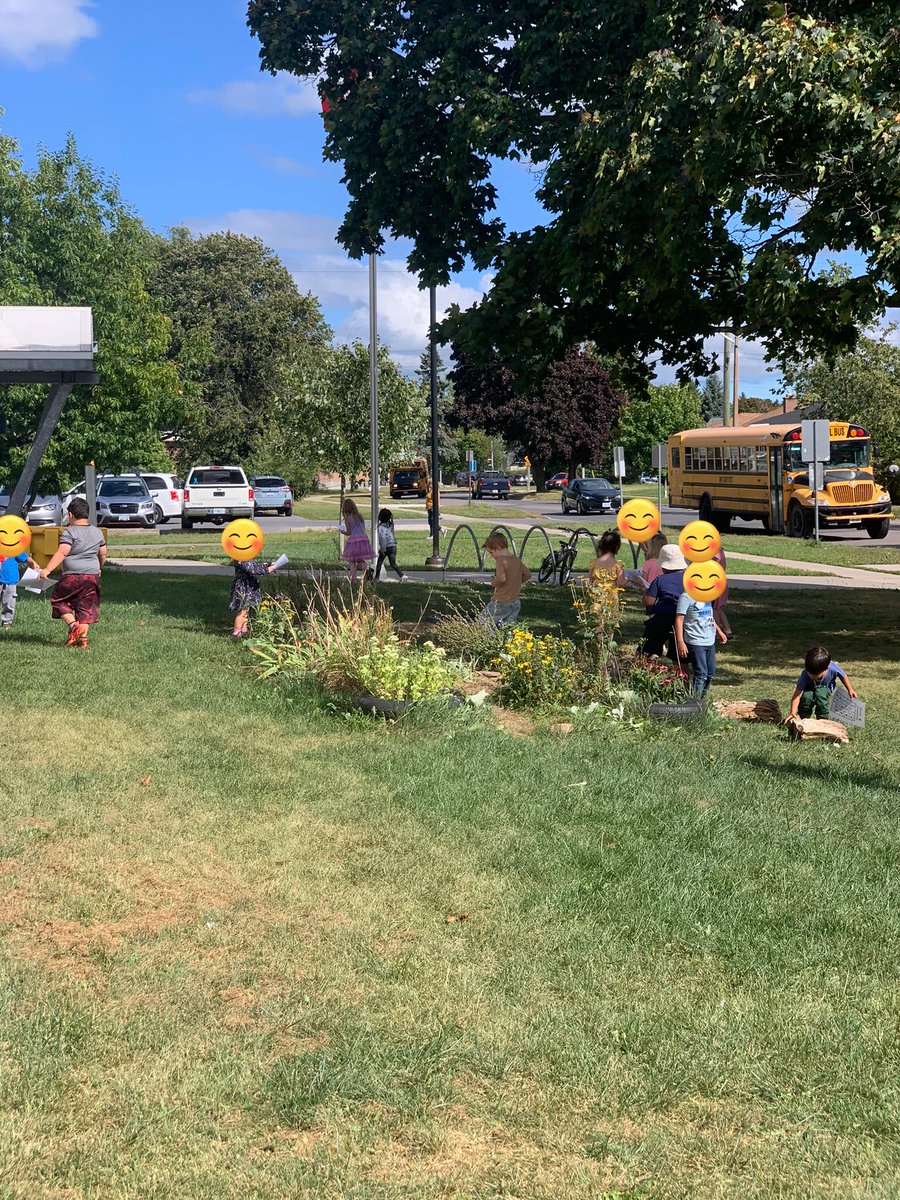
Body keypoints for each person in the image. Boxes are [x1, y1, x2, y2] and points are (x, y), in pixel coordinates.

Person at [38, 497, 107, 647]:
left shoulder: (70, 532)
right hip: (92, 576)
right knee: (86, 607)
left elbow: (62, 552)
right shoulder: (97, 532)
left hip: (72, 576)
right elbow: (103, 553)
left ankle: (74, 627)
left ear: (70, 515)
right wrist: (99, 568)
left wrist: (47, 569)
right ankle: (82, 640)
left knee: (58, 600)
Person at [674, 587, 728, 699]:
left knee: (710, 674)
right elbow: (679, 619)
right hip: (695, 641)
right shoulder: (686, 597)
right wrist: (680, 642)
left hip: (709, 640)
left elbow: (708, 616)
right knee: (701, 674)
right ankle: (695, 702)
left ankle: (701, 699)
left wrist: (718, 630)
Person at [640, 544, 686, 658]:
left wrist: (645, 594)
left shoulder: (659, 579)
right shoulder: (689, 579)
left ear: (664, 566)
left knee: (648, 647)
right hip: (685, 618)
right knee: (678, 657)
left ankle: (649, 657)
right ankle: (681, 672)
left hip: (663, 617)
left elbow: (650, 601)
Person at [788, 646, 857, 719]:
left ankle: (822, 718)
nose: (811, 676)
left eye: (815, 675)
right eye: (809, 673)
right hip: (809, 688)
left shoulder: (832, 668)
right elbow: (797, 695)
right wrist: (792, 712)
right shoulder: (805, 674)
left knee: (821, 695)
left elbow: (843, 675)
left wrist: (850, 689)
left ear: (825, 669)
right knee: (806, 697)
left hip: (826, 687)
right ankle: (803, 717)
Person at [479, 532, 531, 626]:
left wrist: (493, 583)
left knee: (484, 620)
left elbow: (501, 579)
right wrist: (515, 582)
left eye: (491, 552)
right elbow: (528, 574)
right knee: (507, 627)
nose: (491, 556)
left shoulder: (501, 560)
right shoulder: (516, 560)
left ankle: (489, 640)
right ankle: (508, 640)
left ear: (498, 549)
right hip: (515, 602)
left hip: (500, 602)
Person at [230, 556, 276, 637]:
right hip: (243, 587)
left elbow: (254, 565)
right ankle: (237, 632)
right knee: (242, 610)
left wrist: (268, 564)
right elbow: (251, 569)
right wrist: (267, 570)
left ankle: (244, 629)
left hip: (249, 586)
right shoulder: (239, 556)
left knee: (246, 609)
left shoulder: (245, 555)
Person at [0, 543, 40, 630]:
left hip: (11, 579)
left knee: (9, 602)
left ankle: (7, 622)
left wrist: (32, 562)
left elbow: (24, 557)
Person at [339, 498, 375, 582]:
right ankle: (367, 569)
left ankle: (353, 578)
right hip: (363, 539)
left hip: (353, 541)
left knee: (352, 561)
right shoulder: (360, 515)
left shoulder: (348, 517)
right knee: (359, 559)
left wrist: (343, 531)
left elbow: (349, 532)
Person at [375, 508, 408, 582]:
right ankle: (402, 575)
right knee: (393, 563)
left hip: (386, 547)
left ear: (380, 517)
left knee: (379, 562)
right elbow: (391, 523)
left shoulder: (380, 528)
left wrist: (383, 550)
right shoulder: (390, 526)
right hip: (393, 546)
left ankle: (376, 578)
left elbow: (383, 538)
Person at [712, 547, 732, 637]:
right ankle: (727, 629)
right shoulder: (719, 550)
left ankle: (716, 631)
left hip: (716, 582)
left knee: (714, 608)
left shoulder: (714, 552)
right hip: (721, 580)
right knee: (718, 608)